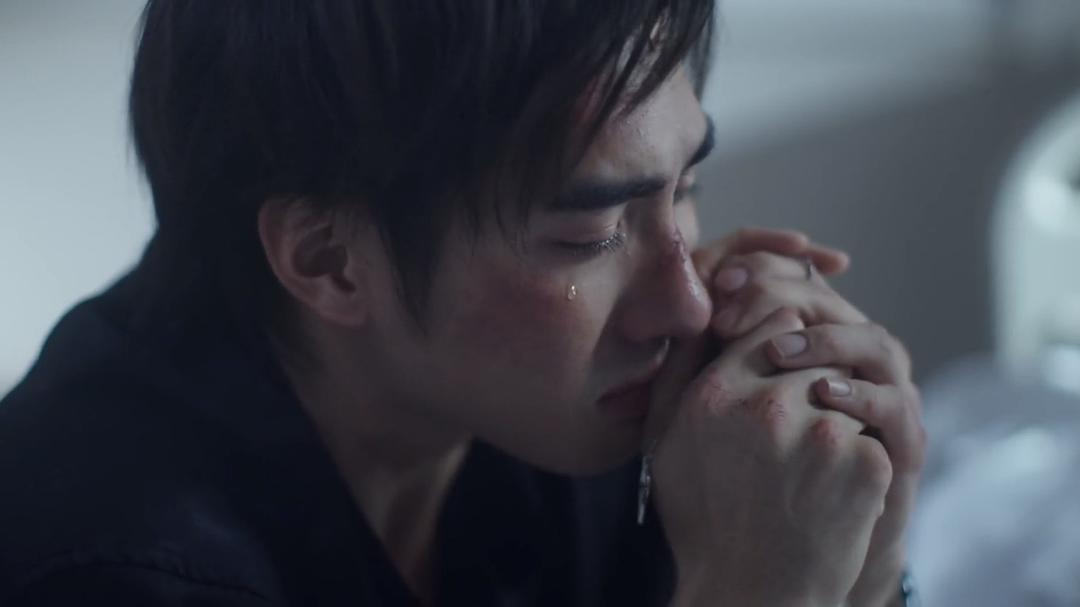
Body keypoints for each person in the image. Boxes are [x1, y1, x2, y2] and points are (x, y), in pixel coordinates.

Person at [0, 1, 925, 605]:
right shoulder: (113, 569)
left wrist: (868, 569)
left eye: (684, 187)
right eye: (590, 234)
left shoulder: (569, 413)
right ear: (328, 260)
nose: (685, 305)